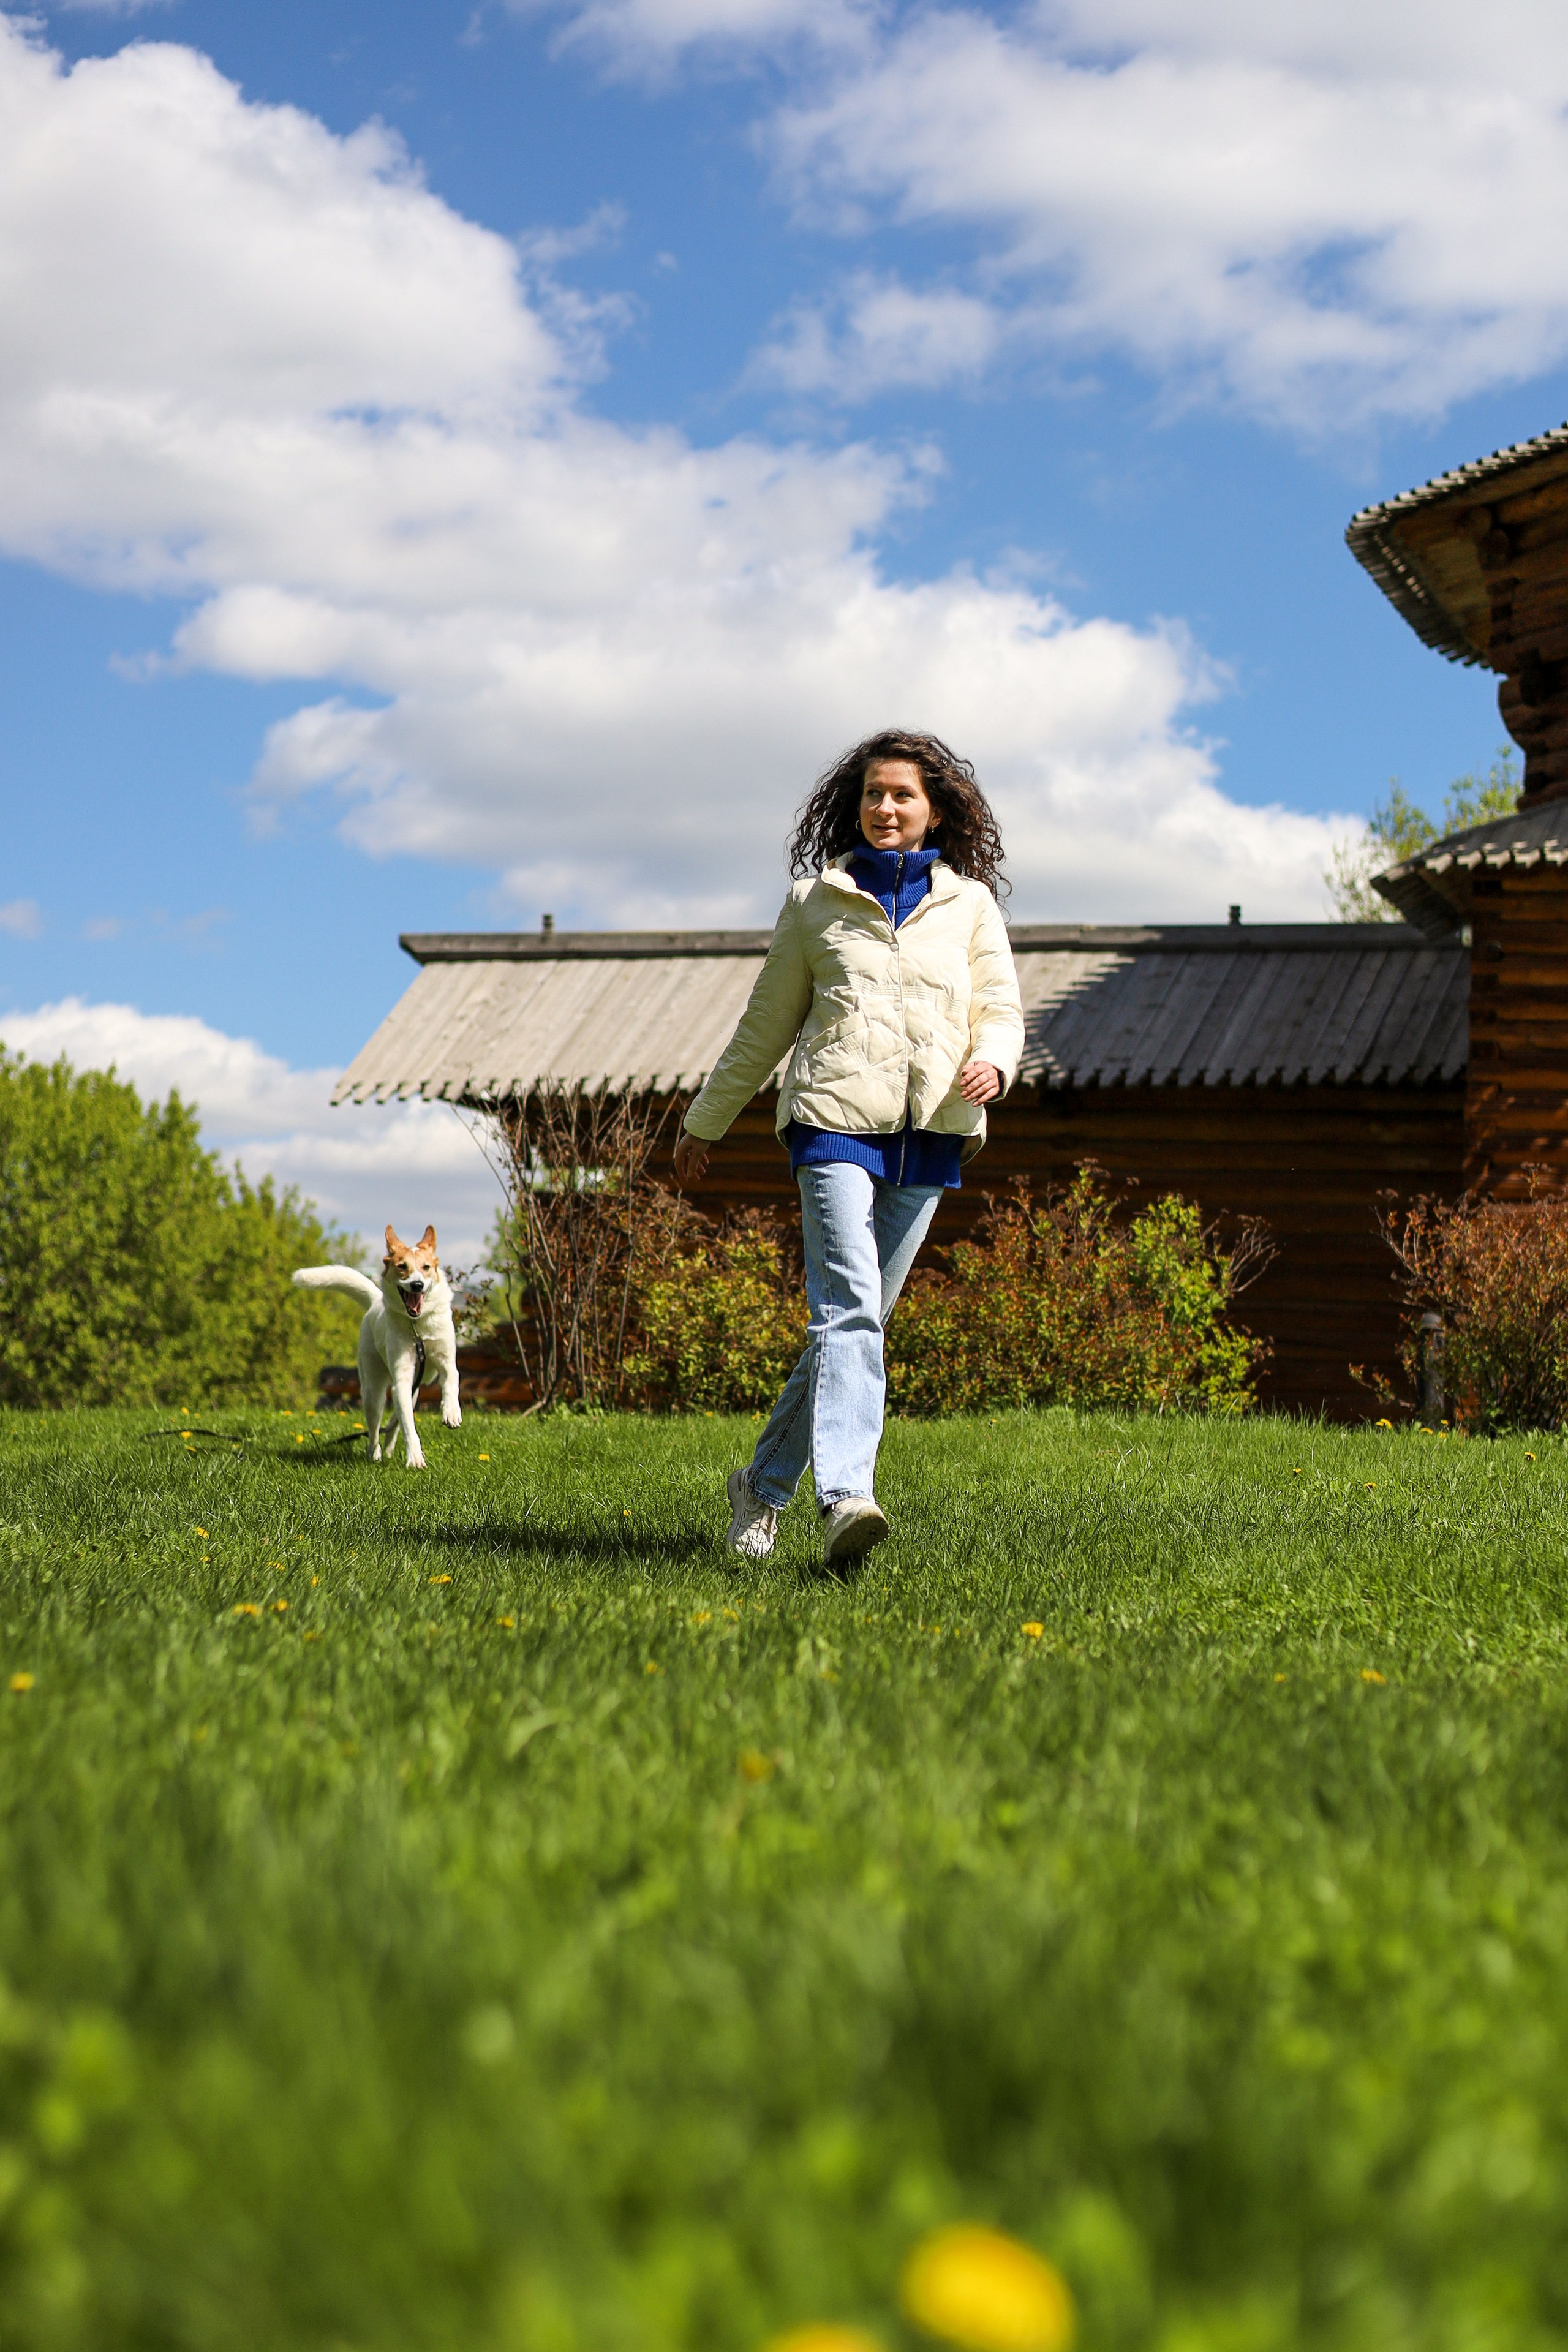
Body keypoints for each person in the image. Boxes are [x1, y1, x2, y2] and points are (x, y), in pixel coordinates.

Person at [673, 729, 1025, 1570]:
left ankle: (760, 1487)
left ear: (935, 807)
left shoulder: (969, 906)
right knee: (849, 1314)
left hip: (931, 1131)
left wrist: (994, 1065)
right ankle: (846, 1499)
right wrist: (703, 1122)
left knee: (853, 1324)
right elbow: (766, 1027)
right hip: (832, 1124)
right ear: (854, 805)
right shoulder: (812, 903)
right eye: (873, 794)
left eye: (902, 794)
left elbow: (1002, 1012)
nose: (885, 808)